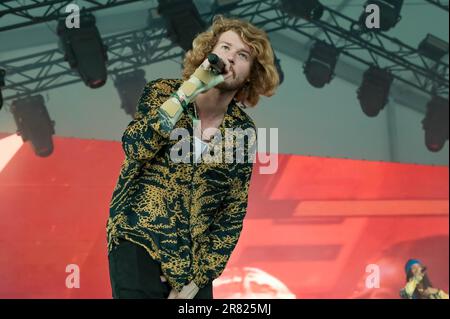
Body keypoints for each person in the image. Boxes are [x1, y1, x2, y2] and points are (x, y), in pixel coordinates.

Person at [106, 15, 279, 299]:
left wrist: (199, 279)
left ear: (252, 73)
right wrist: (189, 89)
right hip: (139, 240)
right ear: (208, 52)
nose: (230, 59)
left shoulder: (241, 130)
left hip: (192, 264)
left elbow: (232, 211)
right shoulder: (163, 92)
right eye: (224, 48)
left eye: (242, 55)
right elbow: (137, 147)